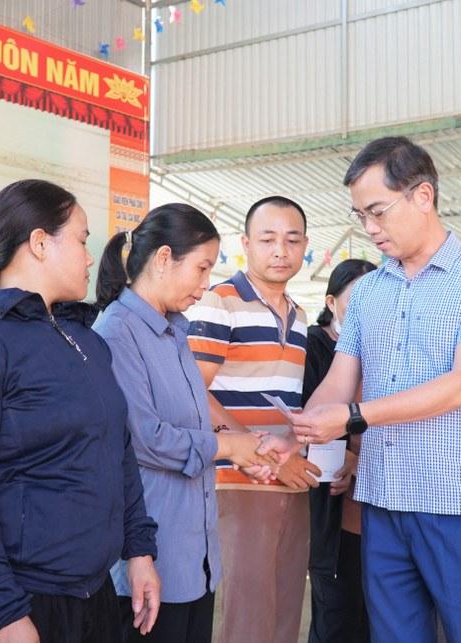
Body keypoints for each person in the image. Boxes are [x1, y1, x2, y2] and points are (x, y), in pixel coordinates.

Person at [291, 136, 461, 643]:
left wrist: (352, 418)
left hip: (460, 501)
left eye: (377, 211)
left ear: (422, 195)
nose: (370, 229)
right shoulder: (370, 290)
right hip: (383, 498)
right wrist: (296, 431)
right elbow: (338, 379)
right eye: (360, 216)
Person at [0, 179, 160, 643]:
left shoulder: (86, 339)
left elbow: (119, 448)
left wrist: (139, 551)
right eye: (82, 239)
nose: (91, 257)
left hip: (91, 593)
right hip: (17, 602)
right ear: (38, 243)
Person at [94, 203, 281, 643]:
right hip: (149, 558)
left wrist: (236, 448)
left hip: (194, 552)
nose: (204, 285)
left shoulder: (175, 331)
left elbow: (192, 423)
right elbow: (143, 439)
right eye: (200, 269)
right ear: (162, 259)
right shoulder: (117, 332)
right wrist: (229, 447)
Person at [187, 196, 317, 643]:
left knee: (285, 605)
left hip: (289, 475)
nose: (280, 250)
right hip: (236, 478)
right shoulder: (219, 301)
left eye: (292, 239)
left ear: (305, 247)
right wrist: (256, 451)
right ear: (245, 244)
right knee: (249, 609)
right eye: (267, 239)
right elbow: (191, 392)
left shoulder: (299, 315)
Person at [304, 259, 374, 643]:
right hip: (333, 495)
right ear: (331, 302)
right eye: (356, 299)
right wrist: (347, 456)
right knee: (338, 605)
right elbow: (313, 415)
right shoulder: (314, 346)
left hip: (376, 496)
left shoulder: (383, 350)